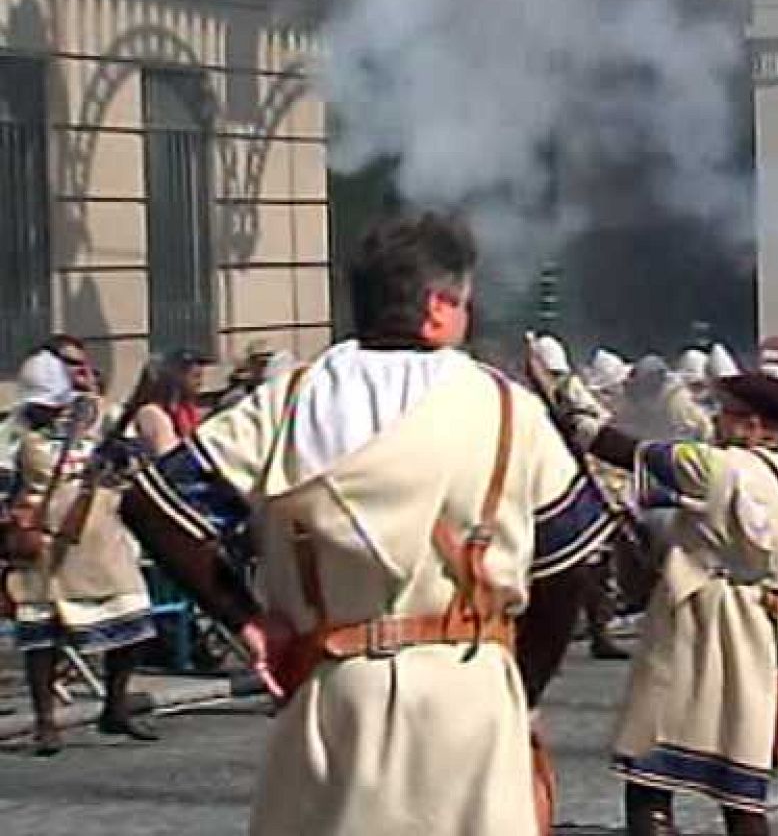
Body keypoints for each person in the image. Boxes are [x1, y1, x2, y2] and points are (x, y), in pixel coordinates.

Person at [119, 213, 615, 835]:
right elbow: (568, 564)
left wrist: (247, 621)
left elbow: (153, 504)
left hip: (334, 690)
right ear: (439, 307)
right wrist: (524, 685)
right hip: (469, 689)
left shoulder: (291, 398)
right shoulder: (506, 405)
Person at [560, 372, 778, 836]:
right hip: (757, 622)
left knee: (648, 765)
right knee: (740, 778)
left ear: (758, 426)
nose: (718, 420)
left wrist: (572, 406)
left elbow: (622, 450)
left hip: (701, 620)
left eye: (731, 412)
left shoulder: (716, 466)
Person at [6, 347, 158, 755]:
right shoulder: (15, 431)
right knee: (41, 636)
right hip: (43, 546)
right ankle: (45, 723)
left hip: (100, 539)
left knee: (133, 618)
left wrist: (116, 459)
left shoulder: (101, 416)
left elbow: (142, 459)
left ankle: (116, 706)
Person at [536, 334, 630, 661]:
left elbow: (593, 428)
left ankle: (597, 631)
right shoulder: (535, 395)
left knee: (597, 564)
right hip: (560, 483)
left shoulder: (567, 393)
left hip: (580, 480)